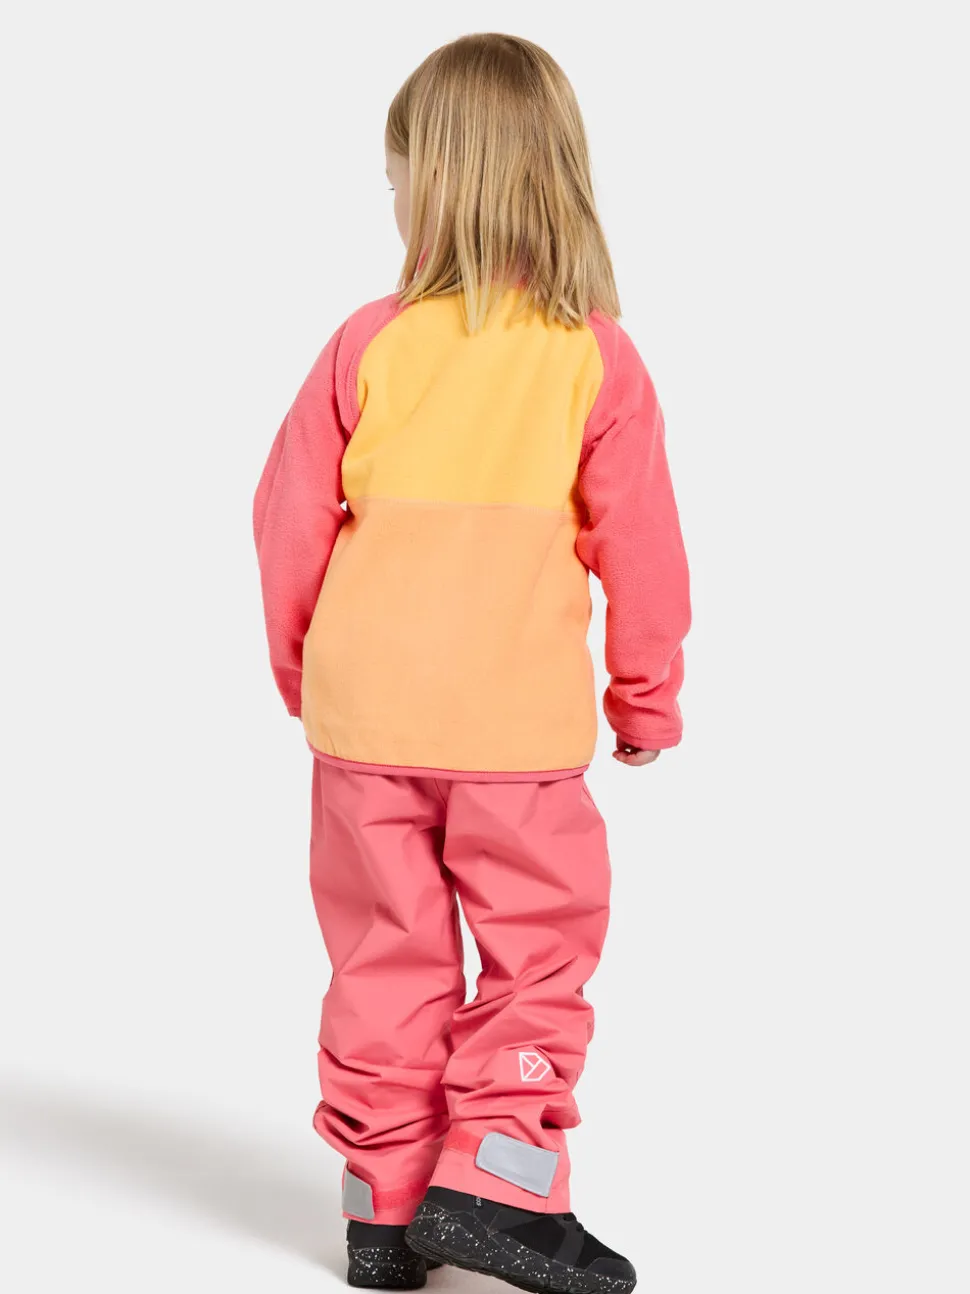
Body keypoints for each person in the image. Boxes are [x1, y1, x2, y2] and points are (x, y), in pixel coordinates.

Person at [254, 32, 690, 1294]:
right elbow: (643, 549)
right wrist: (645, 698)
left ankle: (383, 1210)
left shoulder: (368, 342)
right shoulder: (593, 355)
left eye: (395, 178)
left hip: (363, 723)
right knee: (535, 956)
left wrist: (307, 676)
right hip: (514, 736)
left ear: (431, 184)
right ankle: (497, 1190)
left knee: (381, 959)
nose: (392, 200)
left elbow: (286, 523)